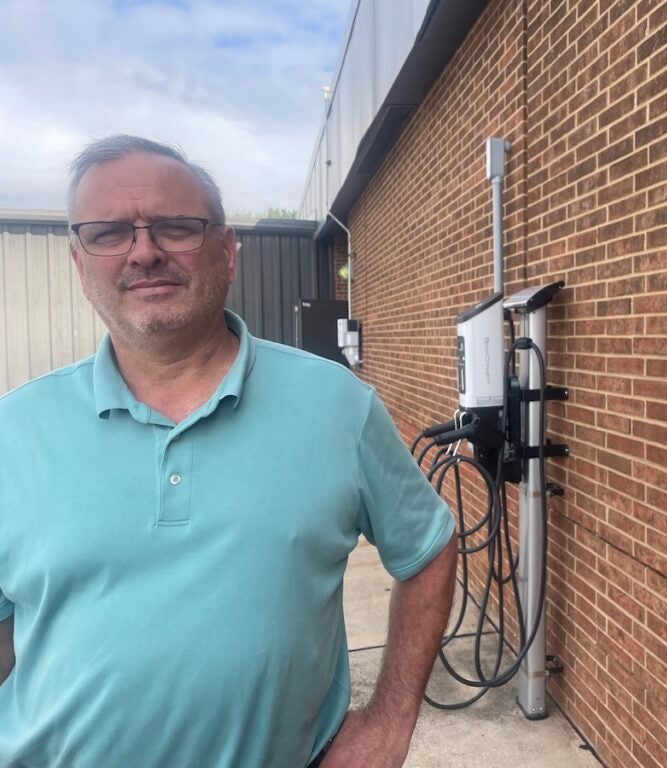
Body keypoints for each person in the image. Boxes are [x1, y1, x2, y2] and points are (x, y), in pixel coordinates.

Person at [0, 135, 456, 768]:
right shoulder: (14, 432)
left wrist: (390, 720)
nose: (145, 252)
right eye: (109, 233)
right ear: (81, 265)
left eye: (175, 227)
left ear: (227, 249)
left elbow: (428, 549)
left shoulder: (335, 405)